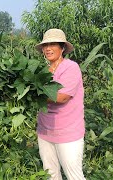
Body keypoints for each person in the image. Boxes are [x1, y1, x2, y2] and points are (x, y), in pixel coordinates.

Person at [35, 29, 85, 180]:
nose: (48, 48)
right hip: (45, 131)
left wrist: (33, 94)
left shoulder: (71, 68)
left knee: (74, 175)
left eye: (53, 44)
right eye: (45, 45)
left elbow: (62, 97)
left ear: (62, 47)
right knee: (50, 174)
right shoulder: (43, 71)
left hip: (67, 132)